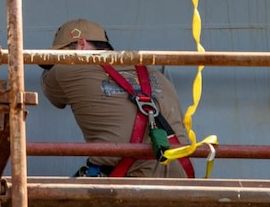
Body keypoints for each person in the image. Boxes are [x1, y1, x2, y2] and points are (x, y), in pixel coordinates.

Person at [41, 19, 194, 179]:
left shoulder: (63, 70)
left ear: (81, 44)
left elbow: (55, 98)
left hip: (128, 182)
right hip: (182, 177)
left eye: (60, 54)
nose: (57, 61)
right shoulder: (157, 75)